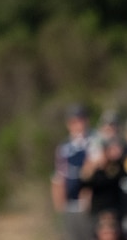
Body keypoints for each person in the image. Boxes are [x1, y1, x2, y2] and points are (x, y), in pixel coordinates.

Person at [52, 103, 95, 240]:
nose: (77, 125)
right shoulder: (64, 147)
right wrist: (59, 203)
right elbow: (59, 176)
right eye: (73, 121)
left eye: (80, 120)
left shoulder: (94, 141)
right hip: (70, 204)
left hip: (88, 204)